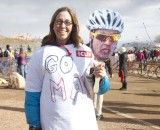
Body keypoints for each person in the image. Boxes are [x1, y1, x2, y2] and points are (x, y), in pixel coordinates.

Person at [25, 7, 110, 130]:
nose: (62, 25)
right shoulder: (41, 54)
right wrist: (34, 124)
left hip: (85, 122)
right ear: (53, 25)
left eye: (67, 22)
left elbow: (101, 90)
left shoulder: (86, 51)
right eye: (58, 21)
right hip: (53, 124)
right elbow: (32, 93)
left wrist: (100, 79)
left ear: (74, 26)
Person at [86, 9, 124, 120]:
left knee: (100, 94)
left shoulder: (106, 55)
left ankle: (98, 111)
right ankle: (93, 110)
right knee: (91, 93)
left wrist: (107, 75)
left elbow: (108, 65)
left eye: (114, 37)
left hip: (102, 76)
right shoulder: (83, 52)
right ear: (91, 35)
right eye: (101, 36)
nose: (108, 42)